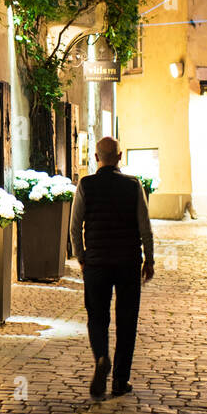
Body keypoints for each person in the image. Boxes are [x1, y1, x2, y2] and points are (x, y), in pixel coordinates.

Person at [70, 136, 155, 398]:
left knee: (97, 317)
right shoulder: (132, 185)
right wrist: (148, 258)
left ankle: (101, 358)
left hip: (96, 262)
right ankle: (120, 380)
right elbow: (145, 226)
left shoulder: (86, 185)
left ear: (97, 158)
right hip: (128, 262)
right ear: (119, 157)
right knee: (127, 321)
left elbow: (75, 226)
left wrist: (81, 257)